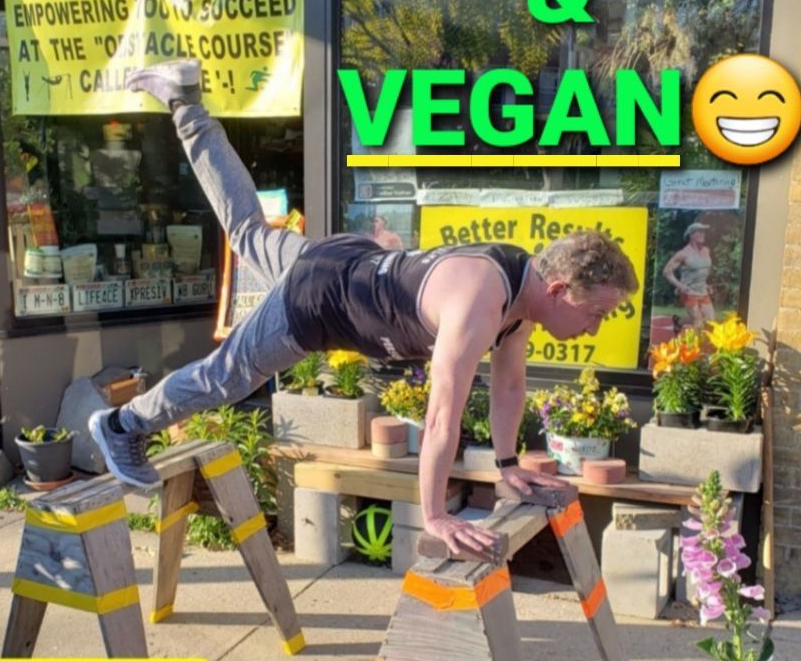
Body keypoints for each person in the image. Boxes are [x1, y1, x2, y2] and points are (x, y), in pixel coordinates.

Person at [89, 60, 639, 558]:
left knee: (248, 231)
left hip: (346, 258)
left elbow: (510, 387)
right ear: (563, 290)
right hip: (318, 301)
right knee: (227, 377)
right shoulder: (483, 302)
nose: (594, 327)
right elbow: (443, 413)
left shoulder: (521, 292)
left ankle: (185, 102)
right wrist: (437, 514)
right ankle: (121, 424)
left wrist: (508, 465)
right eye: (599, 313)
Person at [663, 222, 715, 329]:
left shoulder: (706, 251)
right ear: (691, 235)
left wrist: (706, 284)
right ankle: (693, 344)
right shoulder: (684, 253)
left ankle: (680, 323)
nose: (703, 234)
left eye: (704, 232)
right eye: (699, 232)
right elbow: (666, 272)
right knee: (698, 324)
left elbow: (701, 271)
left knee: (711, 321)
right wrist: (680, 285)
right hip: (689, 293)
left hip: (703, 292)